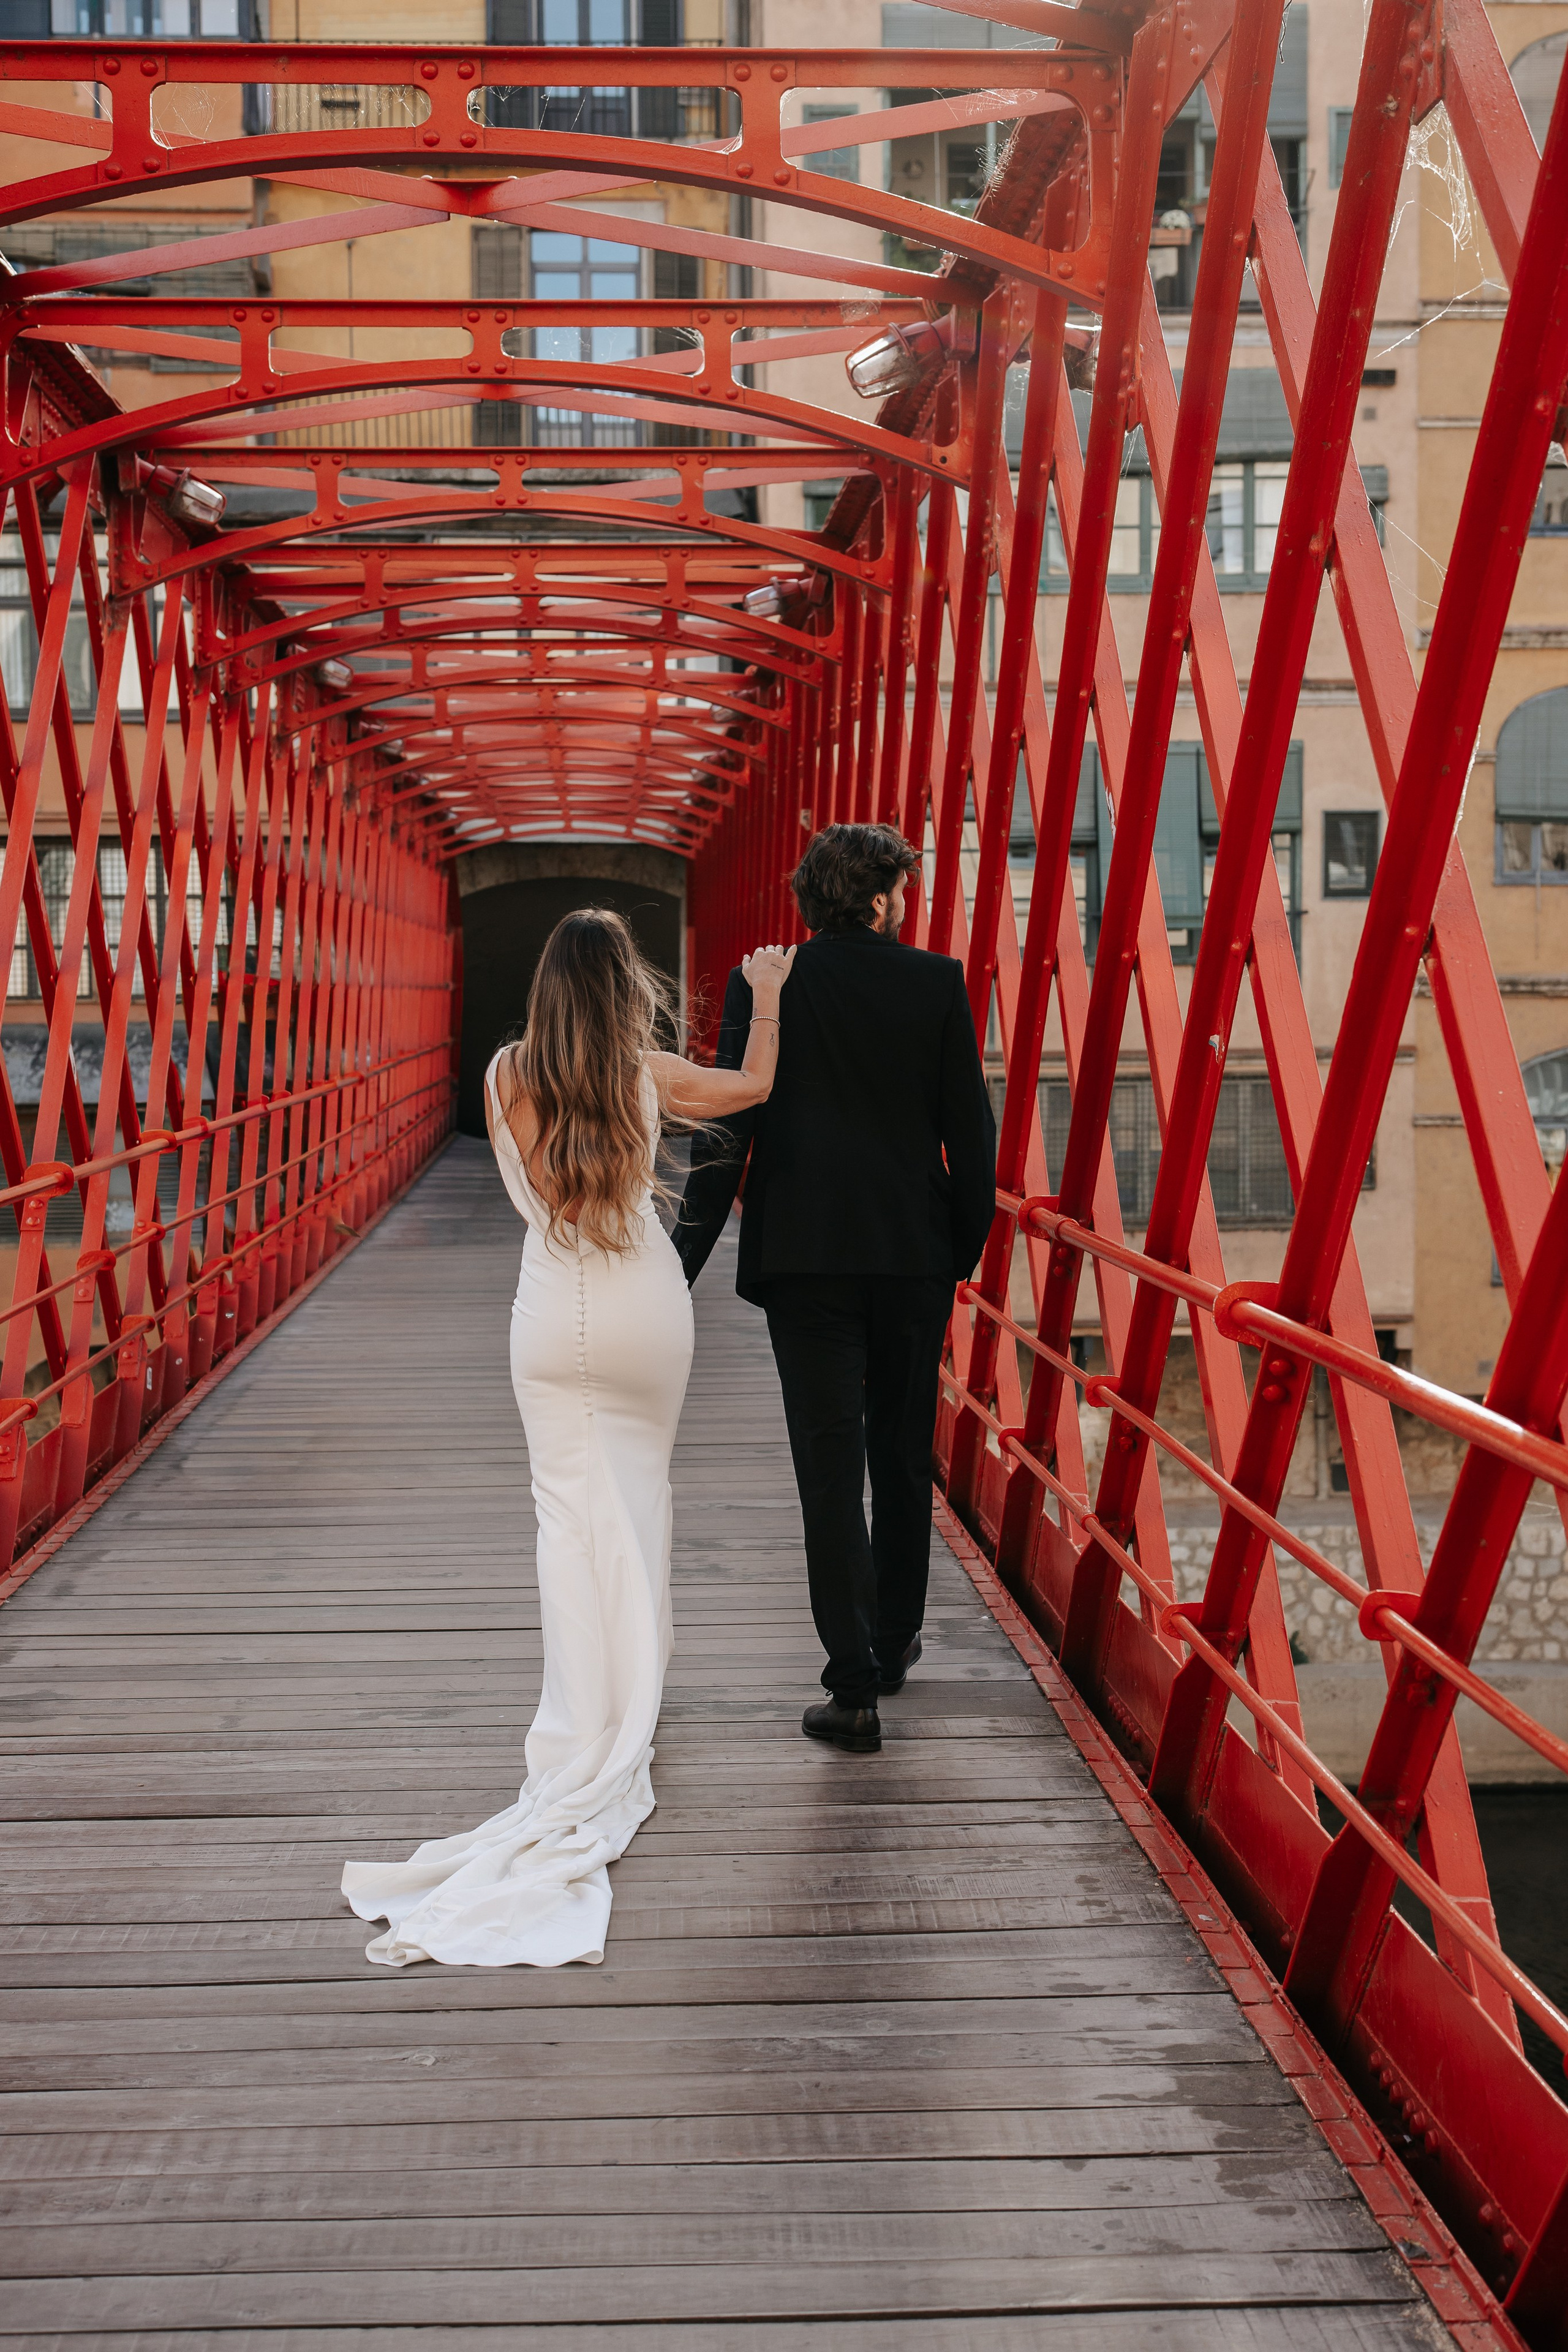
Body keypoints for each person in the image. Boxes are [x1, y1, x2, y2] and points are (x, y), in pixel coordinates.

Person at [342, 908, 795, 1967]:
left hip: (550, 1318)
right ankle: (629, 1718)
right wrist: (767, 996)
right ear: (621, 988)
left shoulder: (505, 1075)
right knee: (638, 1509)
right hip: (645, 1312)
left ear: (547, 993)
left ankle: (581, 1728)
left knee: (566, 1528)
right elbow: (755, 1089)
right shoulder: (647, 1071)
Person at [676, 824, 997, 1756]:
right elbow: (968, 1134)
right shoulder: (935, 983)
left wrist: (679, 1265)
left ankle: (853, 1688)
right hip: (911, 1256)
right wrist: (958, 1250)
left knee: (829, 1470)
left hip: (805, 1259)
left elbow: (728, 1130)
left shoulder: (766, 982)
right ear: (883, 897)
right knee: (901, 1455)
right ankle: (895, 1640)